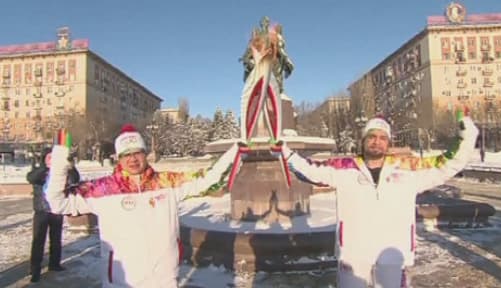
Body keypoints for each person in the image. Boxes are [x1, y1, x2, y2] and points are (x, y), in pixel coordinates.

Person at [280, 111, 478, 288]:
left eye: (383, 137)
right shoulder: (343, 168)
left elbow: (448, 164)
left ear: (389, 142)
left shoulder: (408, 168)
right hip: (353, 255)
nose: (377, 141)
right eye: (372, 136)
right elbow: (308, 170)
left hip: (393, 255)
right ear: (364, 140)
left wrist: (467, 137)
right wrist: (285, 152)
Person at [45, 124, 236, 287]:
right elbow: (58, 203)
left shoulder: (167, 182)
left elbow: (209, 181)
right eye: (126, 154)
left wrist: (235, 152)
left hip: (164, 280)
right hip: (122, 281)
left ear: (145, 154)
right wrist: (60, 163)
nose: (133, 159)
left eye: (137, 152)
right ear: (118, 158)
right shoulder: (102, 189)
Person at [27, 147, 80, 283]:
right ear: (45, 159)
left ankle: (54, 264)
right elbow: (31, 178)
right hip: (41, 211)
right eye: (49, 157)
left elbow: (75, 179)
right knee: (38, 240)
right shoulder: (40, 171)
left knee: (56, 239)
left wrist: (70, 166)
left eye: (54, 158)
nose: (52, 160)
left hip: (57, 210)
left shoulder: (62, 173)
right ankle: (35, 269)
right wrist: (47, 169)